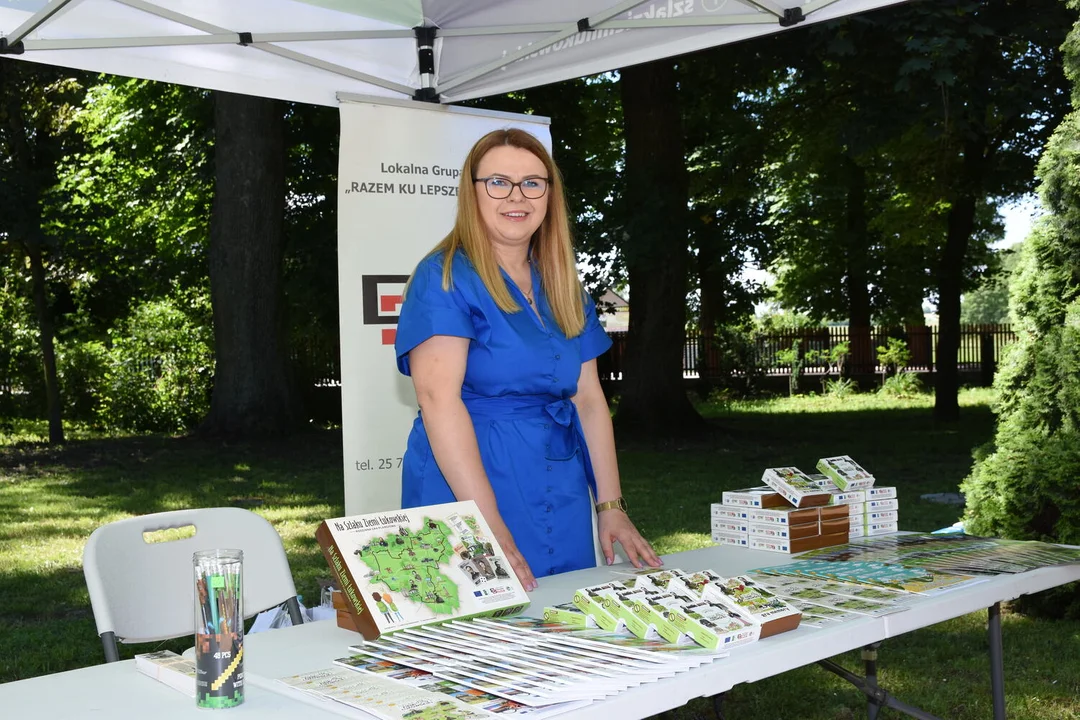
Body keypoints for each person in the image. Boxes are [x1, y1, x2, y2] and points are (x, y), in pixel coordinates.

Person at [395, 128, 662, 591]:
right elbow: (438, 401)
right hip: (466, 482)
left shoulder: (562, 283)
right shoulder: (442, 276)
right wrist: (487, 528)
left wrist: (611, 507)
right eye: (498, 182)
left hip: (557, 479)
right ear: (472, 191)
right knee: (474, 642)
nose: (516, 196)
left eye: (532, 183)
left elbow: (589, 399)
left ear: (549, 194)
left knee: (567, 625)